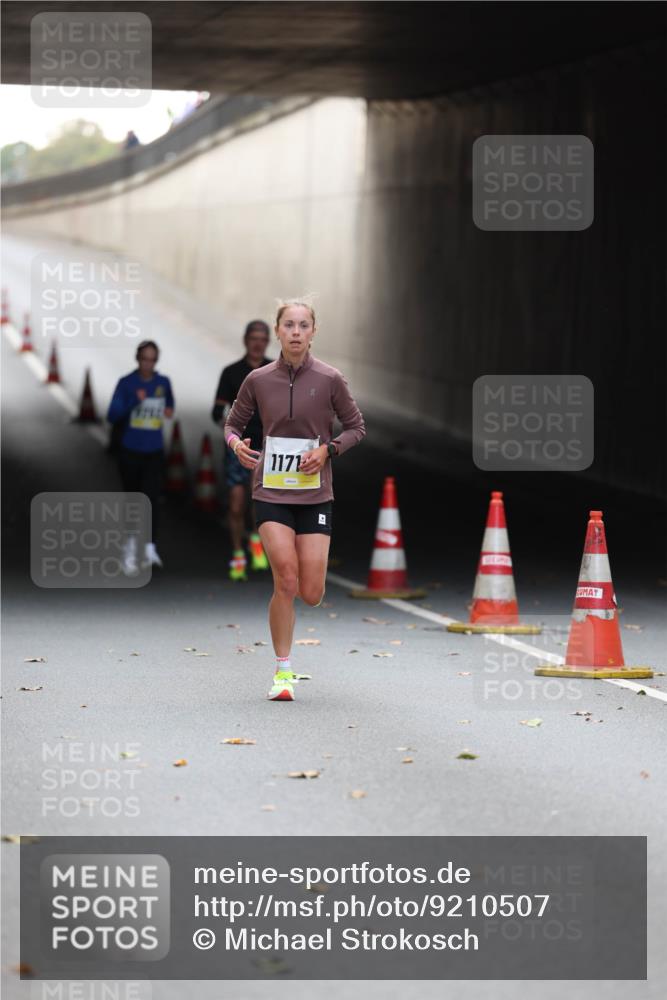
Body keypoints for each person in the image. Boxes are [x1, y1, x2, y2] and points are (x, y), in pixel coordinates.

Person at [224, 300, 365, 701]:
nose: (297, 332)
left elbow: (356, 427)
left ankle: (289, 652)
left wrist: (329, 451)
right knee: (285, 578)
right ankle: (283, 671)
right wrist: (236, 446)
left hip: (315, 494)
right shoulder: (258, 379)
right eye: (289, 325)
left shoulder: (330, 378)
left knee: (312, 592)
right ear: (278, 331)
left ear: (313, 331)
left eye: (304, 325)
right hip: (270, 492)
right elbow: (232, 424)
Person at [212, 320, 272, 580]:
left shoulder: (276, 370)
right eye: (253, 338)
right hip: (240, 448)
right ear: (245, 340)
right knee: (237, 504)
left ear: (268, 341)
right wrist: (232, 429)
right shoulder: (231, 373)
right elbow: (216, 411)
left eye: (262, 338)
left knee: (259, 503)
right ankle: (238, 554)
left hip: (268, 448)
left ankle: (257, 544)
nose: (257, 343)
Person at [107, 340, 174, 573]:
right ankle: (129, 547)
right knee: (134, 501)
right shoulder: (127, 383)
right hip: (130, 450)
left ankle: (150, 548)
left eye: (152, 360)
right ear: (138, 359)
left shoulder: (162, 383)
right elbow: (112, 415)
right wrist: (135, 401)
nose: (148, 364)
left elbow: (170, 405)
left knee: (153, 499)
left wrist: (167, 410)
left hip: (154, 451)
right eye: (145, 359)